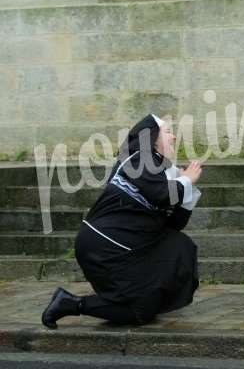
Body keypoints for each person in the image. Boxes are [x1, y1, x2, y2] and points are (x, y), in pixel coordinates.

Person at [41, 114, 203, 329]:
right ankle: (74, 304)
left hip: (127, 248)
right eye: (167, 132)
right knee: (140, 308)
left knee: (143, 309)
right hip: (103, 246)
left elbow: (174, 225)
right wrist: (186, 180)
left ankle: (68, 303)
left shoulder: (160, 171)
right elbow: (161, 195)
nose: (173, 137)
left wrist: (186, 188)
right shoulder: (136, 158)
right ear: (152, 138)